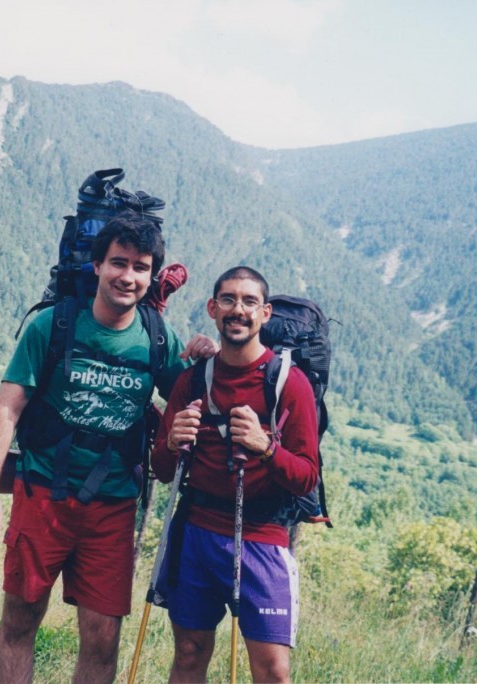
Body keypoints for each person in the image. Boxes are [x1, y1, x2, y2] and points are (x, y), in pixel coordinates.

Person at [0, 210, 216, 684]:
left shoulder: (159, 339)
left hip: (113, 506)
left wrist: (203, 357)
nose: (128, 276)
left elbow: (190, 395)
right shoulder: (53, 326)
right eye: (118, 263)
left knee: (102, 640)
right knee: (20, 623)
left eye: (141, 267)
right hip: (43, 494)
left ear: (151, 275)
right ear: (98, 266)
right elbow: (7, 409)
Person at [151, 266, 319, 684]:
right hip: (196, 533)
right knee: (189, 655)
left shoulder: (289, 384)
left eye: (248, 302)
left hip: (262, 537)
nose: (237, 310)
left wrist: (266, 449)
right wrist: (172, 443)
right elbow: (161, 471)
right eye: (228, 300)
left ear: (264, 313)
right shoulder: (193, 381)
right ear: (212, 308)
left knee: (273, 672)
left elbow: (307, 477)